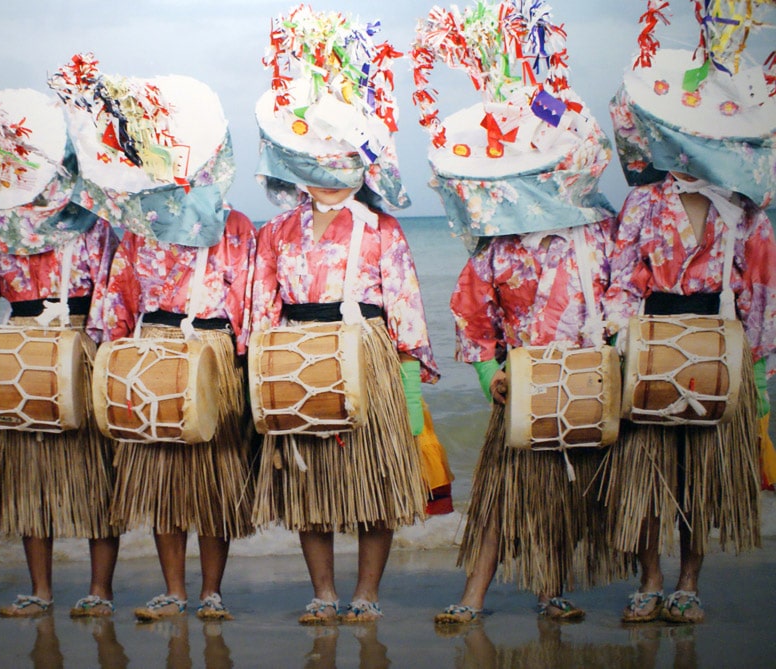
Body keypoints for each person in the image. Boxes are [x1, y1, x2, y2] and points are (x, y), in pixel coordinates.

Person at [409, 2, 626, 624]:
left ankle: (550, 591)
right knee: (504, 496)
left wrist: (616, 358)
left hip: (588, 377)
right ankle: (472, 597)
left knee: (571, 492)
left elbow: (620, 301)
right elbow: (472, 321)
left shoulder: (597, 234)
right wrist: (488, 377)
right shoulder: (494, 249)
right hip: (523, 382)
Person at [250, 6, 438, 624]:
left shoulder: (383, 228)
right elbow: (263, 306)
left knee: (375, 481)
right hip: (298, 357)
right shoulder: (277, 230)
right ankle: (324, 593)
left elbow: (405, 305)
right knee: (313, 485)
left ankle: (367, 594)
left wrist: (410, 386)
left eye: (340, 165)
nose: (329, 179)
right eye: (317, 165)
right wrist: (262, 368)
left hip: (369, 353)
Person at [49, 59, 255, 621]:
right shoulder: (138, 225)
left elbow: (252, 307)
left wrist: (245, 369)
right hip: (152, 353)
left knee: (213, 482)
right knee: (164, 479)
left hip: (214, 355)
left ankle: (211, 591)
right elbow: (117, 306)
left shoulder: (237, 227)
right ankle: (173, 589)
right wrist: (104, 367)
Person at [597, 0, 776, 623]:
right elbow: (620, 284)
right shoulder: (645, 204)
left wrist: (756, 374)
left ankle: (689, 582)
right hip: (650, 343)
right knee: (645, 474)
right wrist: (620, 341)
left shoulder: (744, 209)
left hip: (717, 344)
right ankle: (648, 577)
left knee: (701, 476)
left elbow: (760, 292)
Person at [0, 87, 121, 618]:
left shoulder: (93, 222)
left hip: (81, 348)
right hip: (16, 355)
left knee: (97, 476)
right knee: (26, 481)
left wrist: (94, 354)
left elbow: (113, 296)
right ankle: (39, 591)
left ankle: (100, 591)